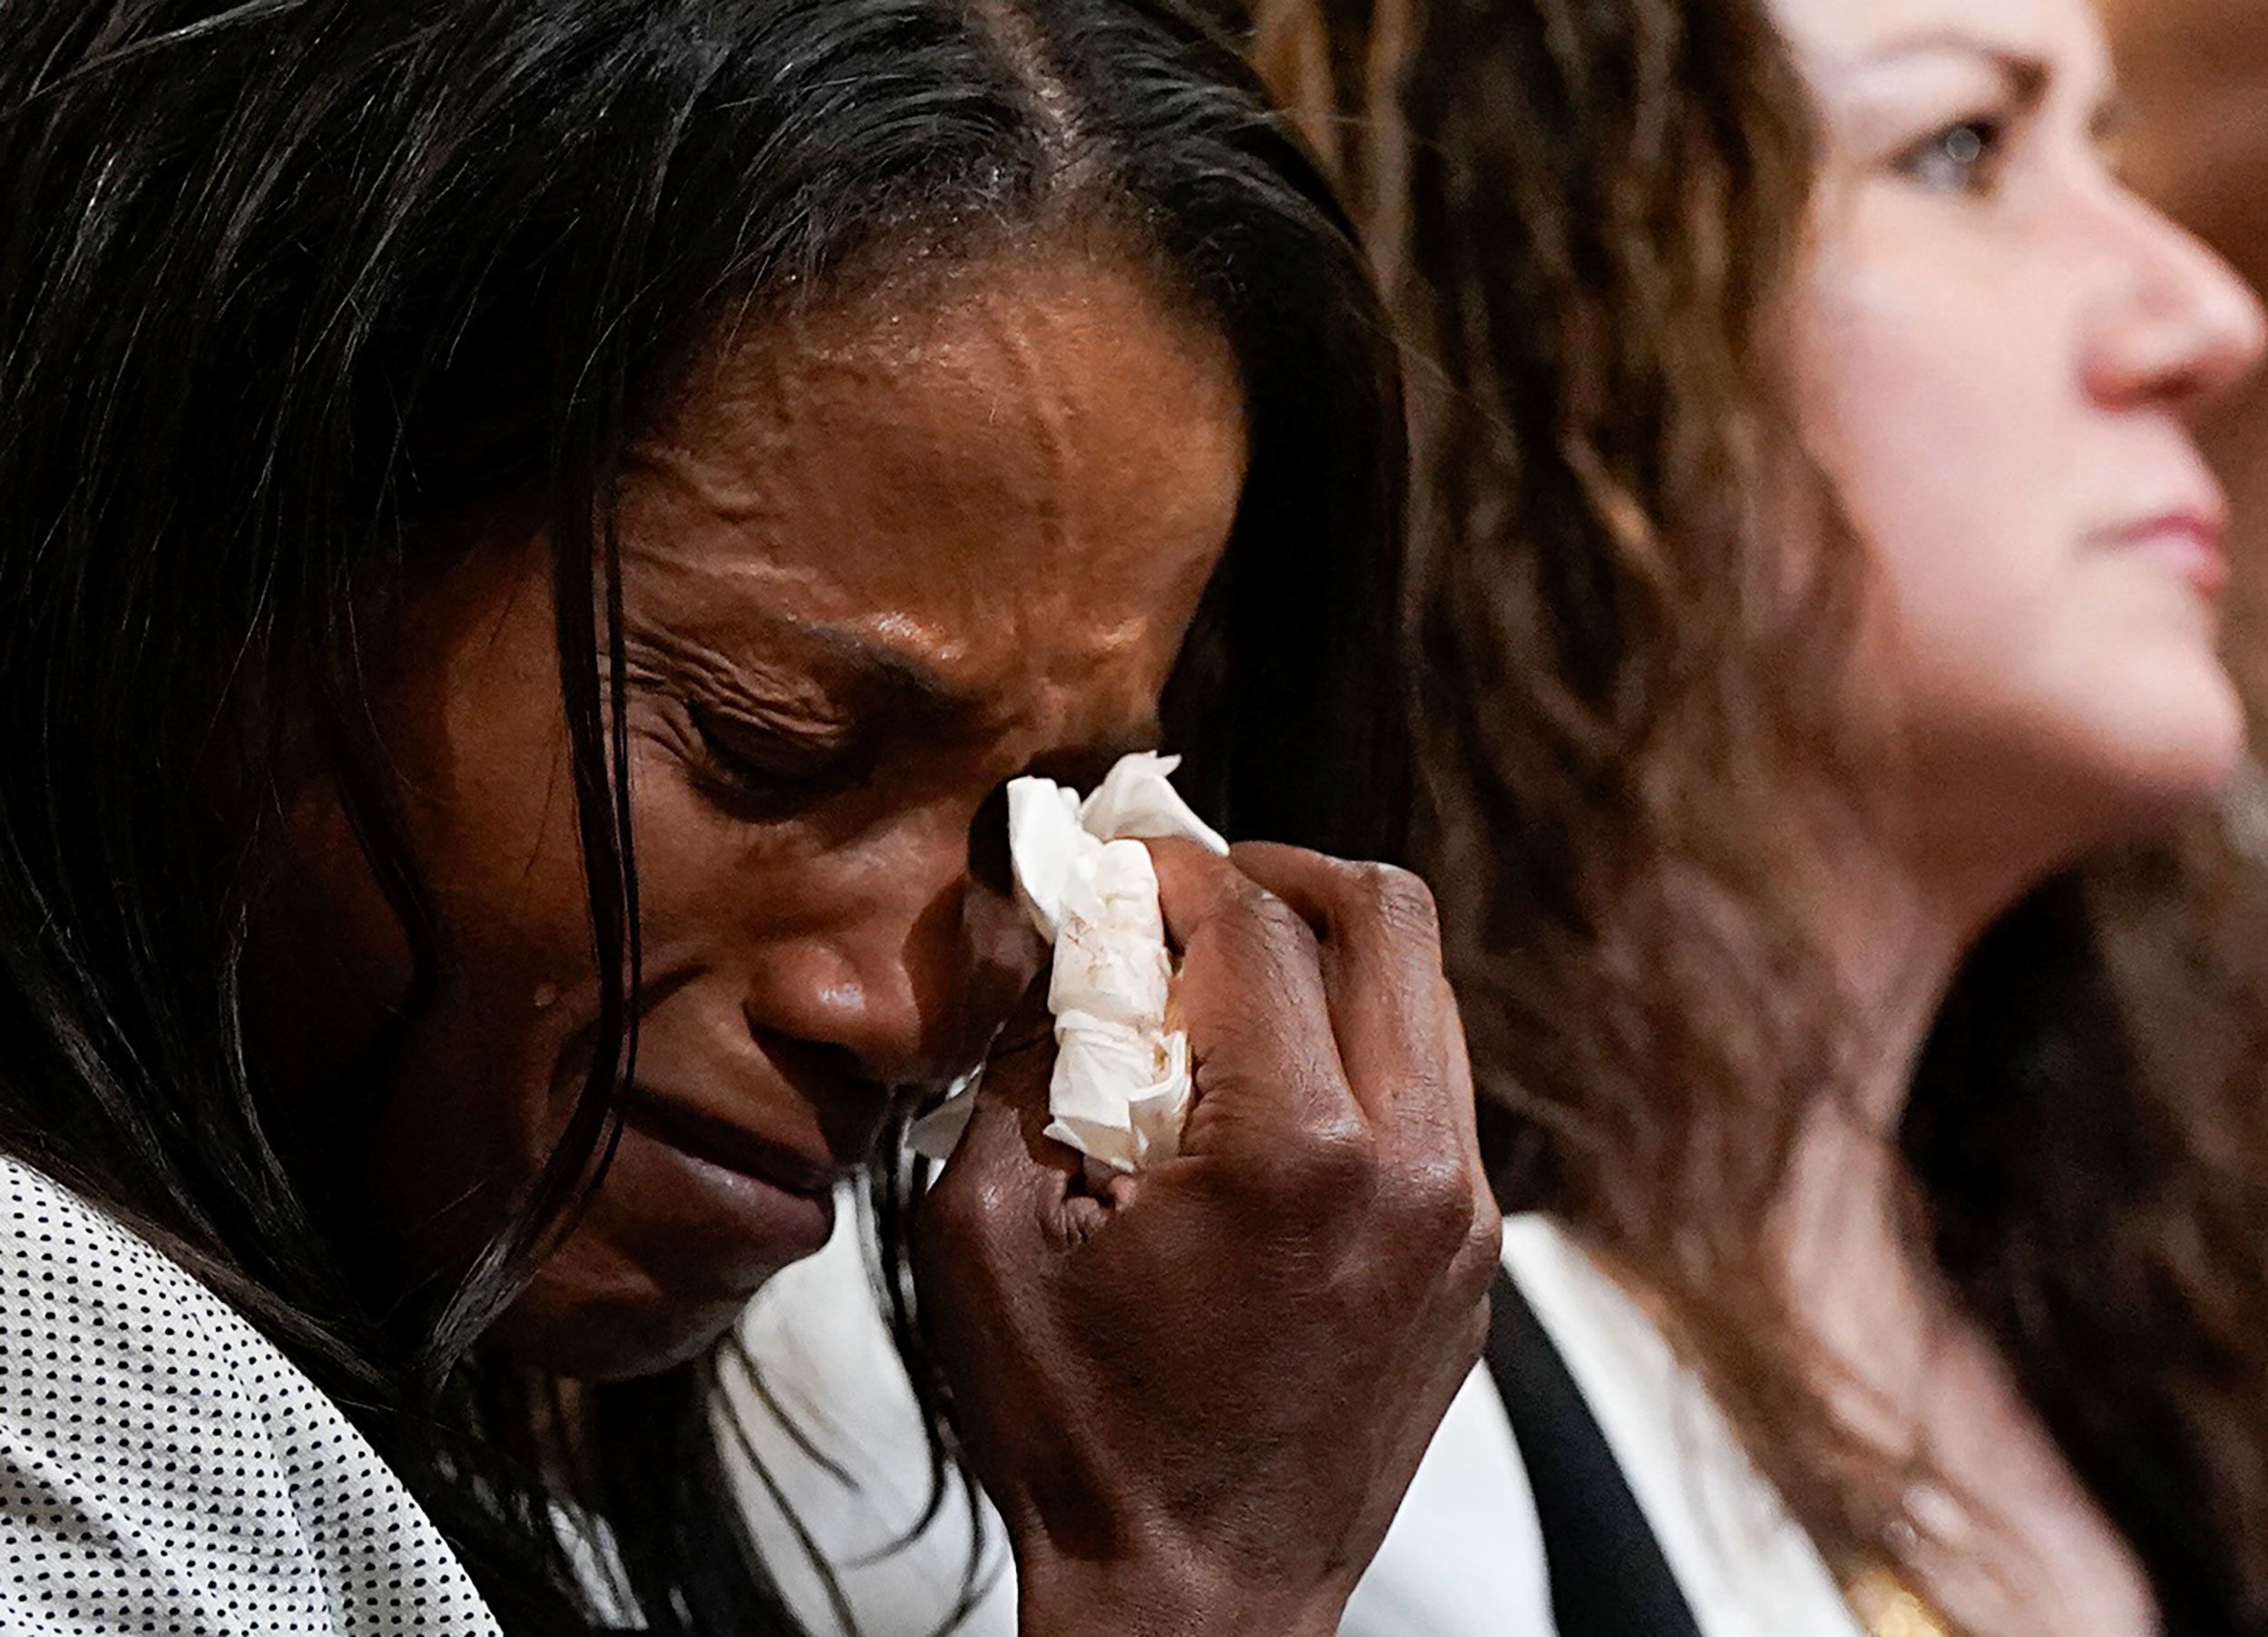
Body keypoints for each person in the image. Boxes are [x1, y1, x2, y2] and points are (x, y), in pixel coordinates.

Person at [0, 2, 1500, 1632]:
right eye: (762, 747)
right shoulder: (68, 1384)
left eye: (1038, 830)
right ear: (240, 539)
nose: (911, 1012)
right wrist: (1190, 1572)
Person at [1369, 0, 2268, 1632]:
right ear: (1564, 328)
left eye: (2108, 150)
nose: (2203, 316)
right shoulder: (1373, 1418)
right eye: (1963, 151)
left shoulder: (2148, 1317)